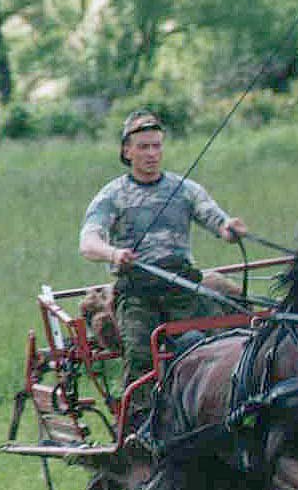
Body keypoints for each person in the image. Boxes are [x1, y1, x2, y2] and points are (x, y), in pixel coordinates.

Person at [79, 109, 248, 414]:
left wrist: (230, 229)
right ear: (127, 151)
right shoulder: (112, 196)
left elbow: (217, 221)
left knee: (227, 337)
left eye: (157, 146)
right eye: (143, 147)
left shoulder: (185, 190)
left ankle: (231, 408)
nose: (151, 154)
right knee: (141, 353)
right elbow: (88, 243)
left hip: (182, 285)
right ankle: (138, 424)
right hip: (137, 292)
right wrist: (114, 254)